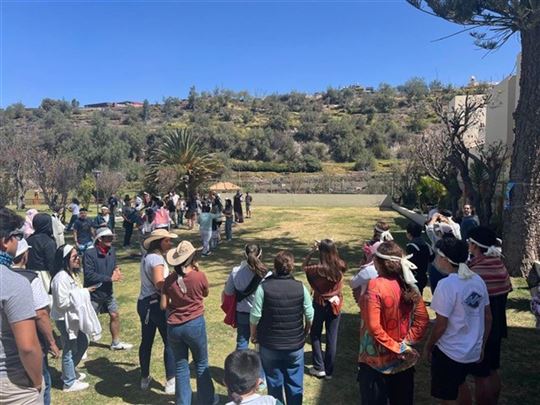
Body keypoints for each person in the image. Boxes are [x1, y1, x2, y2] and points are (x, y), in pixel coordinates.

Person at [357, 241, 429, 405]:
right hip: (404, 363)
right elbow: (422, 319)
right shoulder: (409, 285)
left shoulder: (375, 286)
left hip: (376, 362)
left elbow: (374, 328)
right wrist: (406, 342)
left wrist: (399, 348)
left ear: (377, 262)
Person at [424, 237, 492, 405]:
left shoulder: (446, 285)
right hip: (471, 350)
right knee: (460, 384)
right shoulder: (477, 280)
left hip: (450, 351)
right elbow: (488, 317)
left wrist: (429, 346)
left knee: (448, 396)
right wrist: (481, 345)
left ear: (443, 259)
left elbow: (441, 325)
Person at [250, 251, 314, 405]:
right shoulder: (301, 288)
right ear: (291, 268)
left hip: (270, 345)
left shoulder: (263, 288)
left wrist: (253, 334)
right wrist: (306, 330)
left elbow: (255, 316)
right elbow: (310, 314)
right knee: (295, 385)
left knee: (274, 384)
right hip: (295, 344)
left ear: (275, 267)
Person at [161, 241, 219, 405]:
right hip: (194, 322)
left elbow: (163, 305)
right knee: (201, 363)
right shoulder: (199, 276)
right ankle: (207, 399)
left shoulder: (169, 280)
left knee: (181, 366)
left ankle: (183, 402)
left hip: (174, 325)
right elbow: (205, 293)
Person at [0, 207, 44, 404]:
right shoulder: (14, 283)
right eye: (16, 236)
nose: (18, 242)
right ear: (4, 241)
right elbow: (28, 346)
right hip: (12, 383)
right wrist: (36, 381)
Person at [12, 239, 60, 404]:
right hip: (32, 341)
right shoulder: (31, 278)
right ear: (25, 256)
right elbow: (41, 314)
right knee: (41, 382)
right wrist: (52, 342)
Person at [467, 226, 512, 405]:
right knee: (493, 369)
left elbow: (470, 303)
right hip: (498, 326)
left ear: (475, 245)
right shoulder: (499, 265)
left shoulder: (476, 272)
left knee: (481, 374)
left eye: (469, 243)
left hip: (482, 330)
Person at [51, 245, 99, 392]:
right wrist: (84, 292)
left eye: (78, 255)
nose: (78, 259)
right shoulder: (61, 278)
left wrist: (82, 292)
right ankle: (68, 382)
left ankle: (68, 371)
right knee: (70, 348)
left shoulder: (72, 274)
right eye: (74, 257)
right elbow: (62, 302)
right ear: (65, 260)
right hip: (64, 318)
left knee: (83, 342)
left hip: (73, 317)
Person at [137, 229, 178, 393]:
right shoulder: (156, 259)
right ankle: (170, 380)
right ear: (160, 241)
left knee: (146, 342)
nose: (170, 243)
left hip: (144, 303)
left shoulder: (147, 257)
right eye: (167, 241)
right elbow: (159, 283)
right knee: (168, 341)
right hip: (155, 305)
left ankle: (144, 377)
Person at [302, 239, 347, 380]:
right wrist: (332, 248)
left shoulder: (316, 270)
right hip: (335, 303)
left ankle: (319, 367)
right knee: (331, 336)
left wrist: (313, 250)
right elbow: (339, 261)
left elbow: (304, 266)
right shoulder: (340, 266)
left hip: (319, 303)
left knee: (315, 333)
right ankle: (329, 370)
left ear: (321, 252)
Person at [83, 227, 133, 351]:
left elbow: (114, 265)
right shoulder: (89, 254)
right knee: (88, 321)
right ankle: (81, 346)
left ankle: (115, 342)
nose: (111, 240)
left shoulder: (112, 251)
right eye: (108, 238)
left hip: (108, 292)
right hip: (93, 293)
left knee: (114, 314)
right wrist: (109, 278)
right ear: (99, 239)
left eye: (111, 237)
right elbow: (89, 275)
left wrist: (117, 269)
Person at [223, 244, 270, 350]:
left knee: (242, 341)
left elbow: (228, 292)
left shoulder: (235, 272)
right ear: (260, 255)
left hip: (242, 312)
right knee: (261, 343)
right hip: (260, 312)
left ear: (245, 254)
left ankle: (240, 366)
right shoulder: (267, 274)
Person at [27, 213, 58, 294]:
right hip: (44, 276)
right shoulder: (48, 242)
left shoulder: (28, 240)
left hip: (29, 274)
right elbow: (52, 262)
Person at [405, 222, 432, 296]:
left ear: (409, 234)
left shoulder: (411, 246)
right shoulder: (426, 244)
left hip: (414, 276)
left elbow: (409, 262)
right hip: (423, 275)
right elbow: (432, 257)